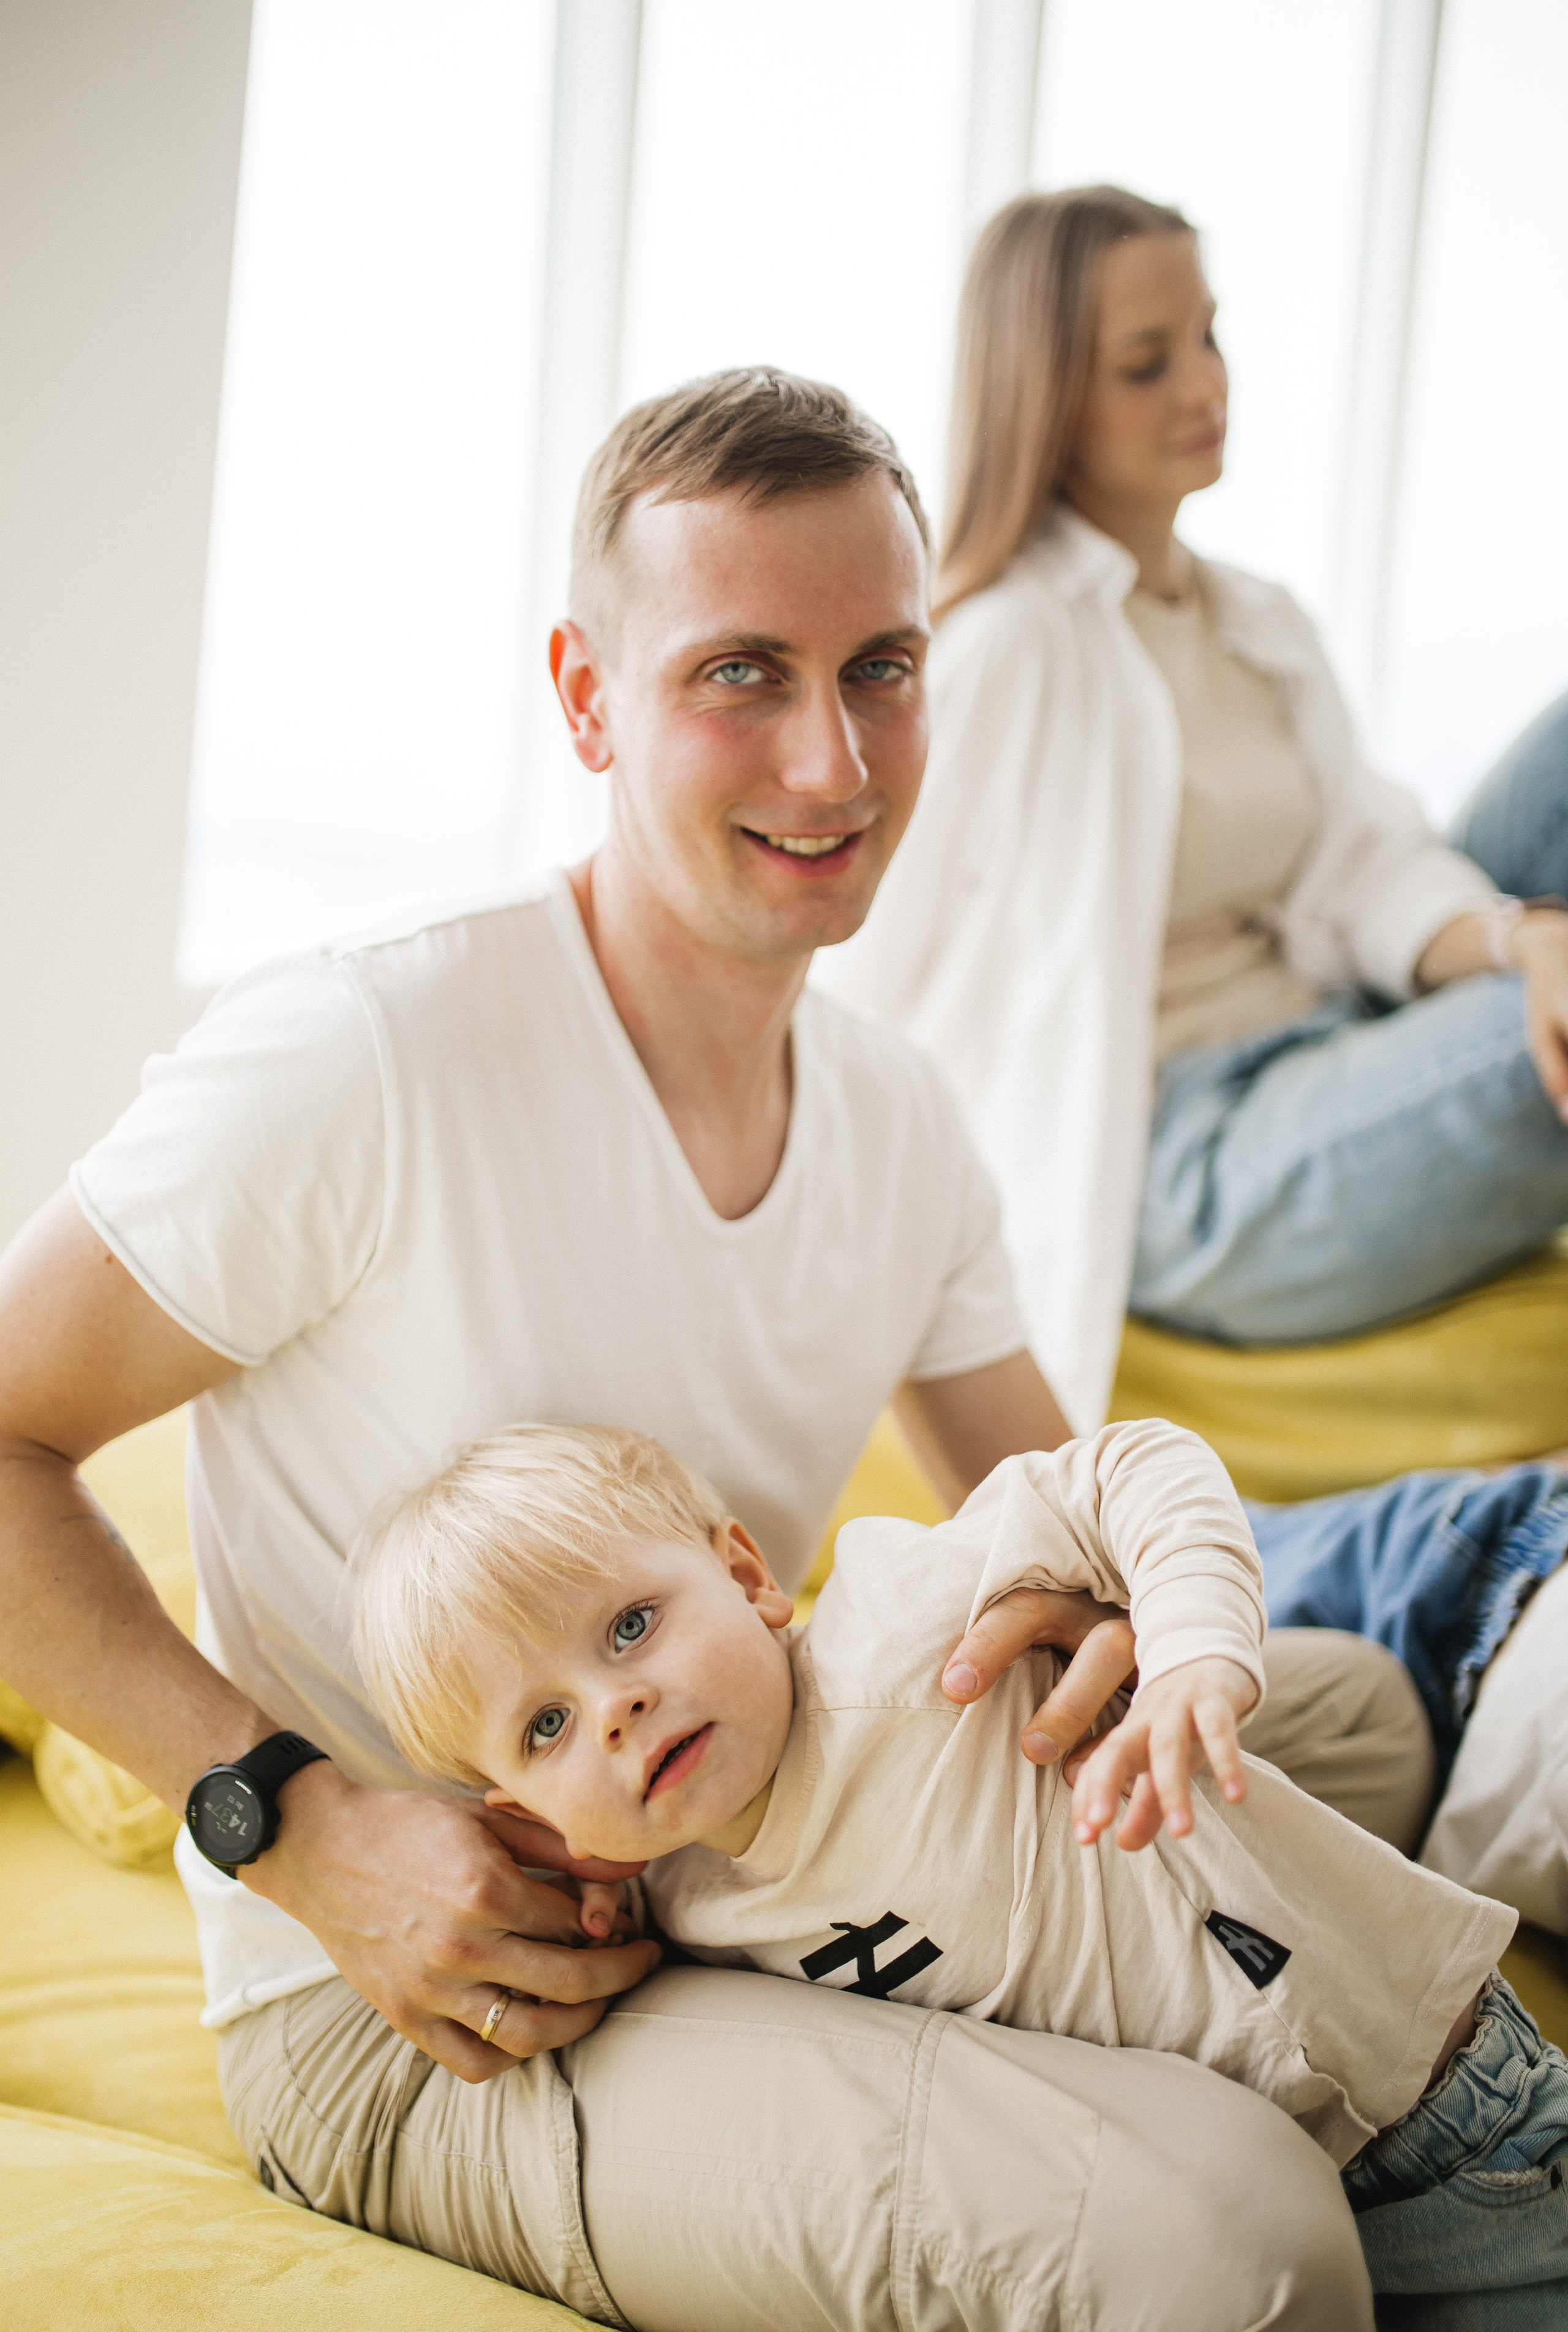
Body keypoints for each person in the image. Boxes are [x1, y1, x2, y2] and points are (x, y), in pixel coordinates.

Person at [0, 368, 1406, 2329]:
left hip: (765, 1845)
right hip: (437, 2009)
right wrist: (295, 1827)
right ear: (587, 699)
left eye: (882, 669)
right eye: (742, 673)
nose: (833, 762)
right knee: (1236, 2230)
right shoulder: (367, 1049)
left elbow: (1060, 1510)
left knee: (1356, 1713)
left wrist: (1116, 1634)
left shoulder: (899, 1116)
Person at [816, 184, 1568, 1923]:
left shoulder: (1251, 617)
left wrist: (1511, 937)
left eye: (1208, 336)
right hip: (1191, 1156)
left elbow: (1364, 862)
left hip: (1336, 1040)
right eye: (1145, 360)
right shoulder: (1009, 650)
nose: (1204, 384)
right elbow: (875, 971)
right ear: (1047, 395)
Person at [352, 1418, 1568, 2325]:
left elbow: (1128, 1464)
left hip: (1447, 2121)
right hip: (1305, 2200)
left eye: (629, 1625)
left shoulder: (905, 1622)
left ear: (747, 1577)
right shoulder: (687, 1908)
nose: (614, 1705)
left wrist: (1195, 1644)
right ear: (530, 1815)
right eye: (547, 1726)